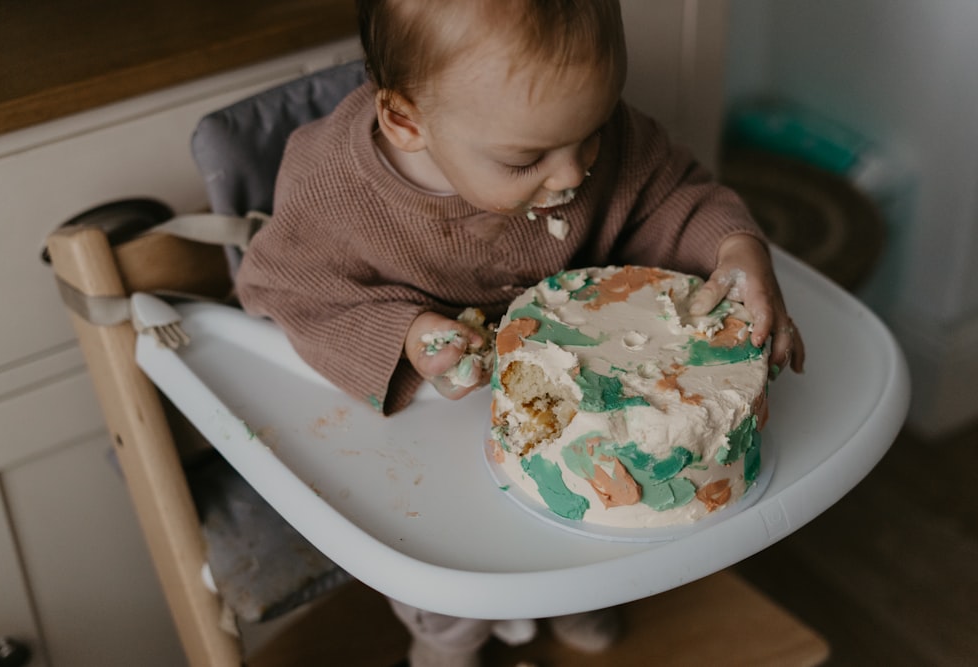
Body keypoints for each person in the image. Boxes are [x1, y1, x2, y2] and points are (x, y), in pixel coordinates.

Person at [237, 1, 805, 664]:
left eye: (589, 135)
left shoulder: (594, 142)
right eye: (526, 158)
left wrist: (733, 246)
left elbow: (671, 194)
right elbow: (285, 291)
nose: (571, 176)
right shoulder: (331, 187)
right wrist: (408, 336)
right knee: (442, 566)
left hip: (584, 416)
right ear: (405, 121)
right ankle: (445, 641)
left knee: (596, 506)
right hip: (423, 429)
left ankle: (581, 594)